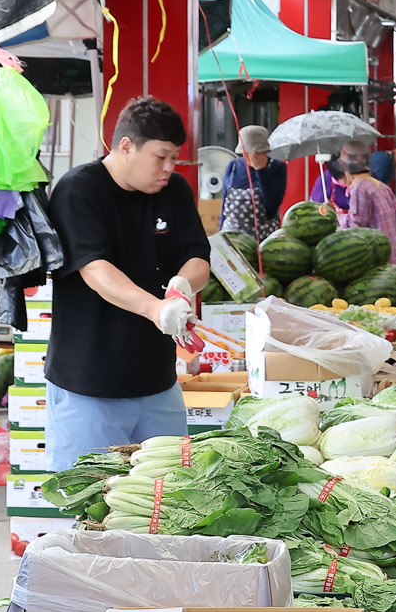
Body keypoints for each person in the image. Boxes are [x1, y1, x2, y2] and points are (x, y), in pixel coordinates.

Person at [45, 99, 211, 471]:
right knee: (90, 503)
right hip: (89, 382)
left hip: (158, 382)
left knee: (169, 497)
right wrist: (156, 308)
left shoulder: (175, 190)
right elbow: (95, 270)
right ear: (125, 146)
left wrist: (183, 286)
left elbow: (199, 257)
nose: (169, 168)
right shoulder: (78, 190)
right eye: (161, 157)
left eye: (175, 159)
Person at [334, 151, 396, 261]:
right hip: (392, 258)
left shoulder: (359, 188)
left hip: (375, 261)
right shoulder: (382, 187)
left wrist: (337, 217)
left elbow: (356, 225)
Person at [219, 124, 285, 238]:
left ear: (264, 151)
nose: (250, 156)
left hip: (263, 236)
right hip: (232, 235)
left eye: (257, 153)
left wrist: (261, 171)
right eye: (246, 153)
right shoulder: (233, 167)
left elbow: (271, 207)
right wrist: (220, 233)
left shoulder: (276, 168)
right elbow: (225, 205)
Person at [308, 139, 372, 212]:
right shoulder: (325, 180)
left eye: (348, 176)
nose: (347, 182)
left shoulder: (366, 180)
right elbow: (315, 209)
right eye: (342, 179)